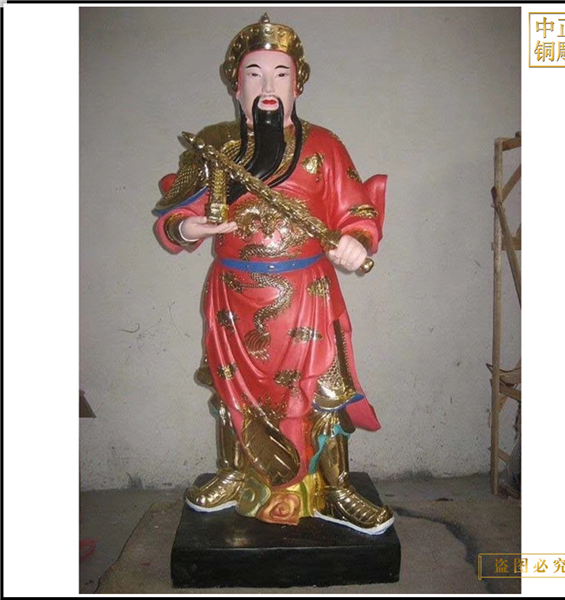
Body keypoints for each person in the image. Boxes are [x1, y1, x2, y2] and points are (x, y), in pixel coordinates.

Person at [153, 14, 393, 535]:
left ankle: (335, 489)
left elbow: (356, 208)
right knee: (229, 390)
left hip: (307, 293)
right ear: (236, 86)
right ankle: (235, 473)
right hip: (234, 296)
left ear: (297, 84)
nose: (267, 86)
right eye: (254, 74)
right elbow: (173, 216)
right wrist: (189, 226)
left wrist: (357, 239)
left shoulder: (323, 146)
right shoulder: (214, 147)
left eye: (280, 74)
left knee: (325, 391)